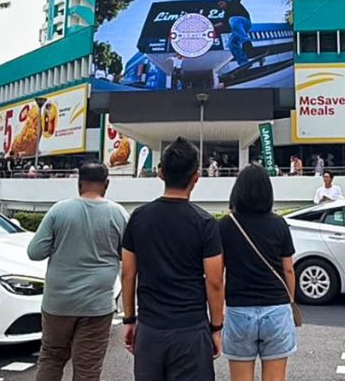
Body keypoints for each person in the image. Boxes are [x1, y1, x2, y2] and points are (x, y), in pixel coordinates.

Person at [122, 137, 224, 380]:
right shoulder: (205, 223)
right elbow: (215, 281)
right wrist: (216, 328)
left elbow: (128, 273)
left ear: (160, 173)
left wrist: (129, 319)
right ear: (196, 177)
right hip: (191, 330)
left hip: (149, 329)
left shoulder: (139, 217)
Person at [28, 162, 129, 381]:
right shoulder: (118, 214)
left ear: (79, 183)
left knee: (51, 357)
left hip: (57, 303)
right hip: (97, 305)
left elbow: (35, 252)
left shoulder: (59, 210)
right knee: (88, 369)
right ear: (107, 184)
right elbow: (128, 255)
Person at [219, 166, 297, 381]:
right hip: (276, 309)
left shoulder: (226, 225)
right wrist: (290, 300)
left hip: (239, 309)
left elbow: (218, 274)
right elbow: (288, 268)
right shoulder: (279, 224)